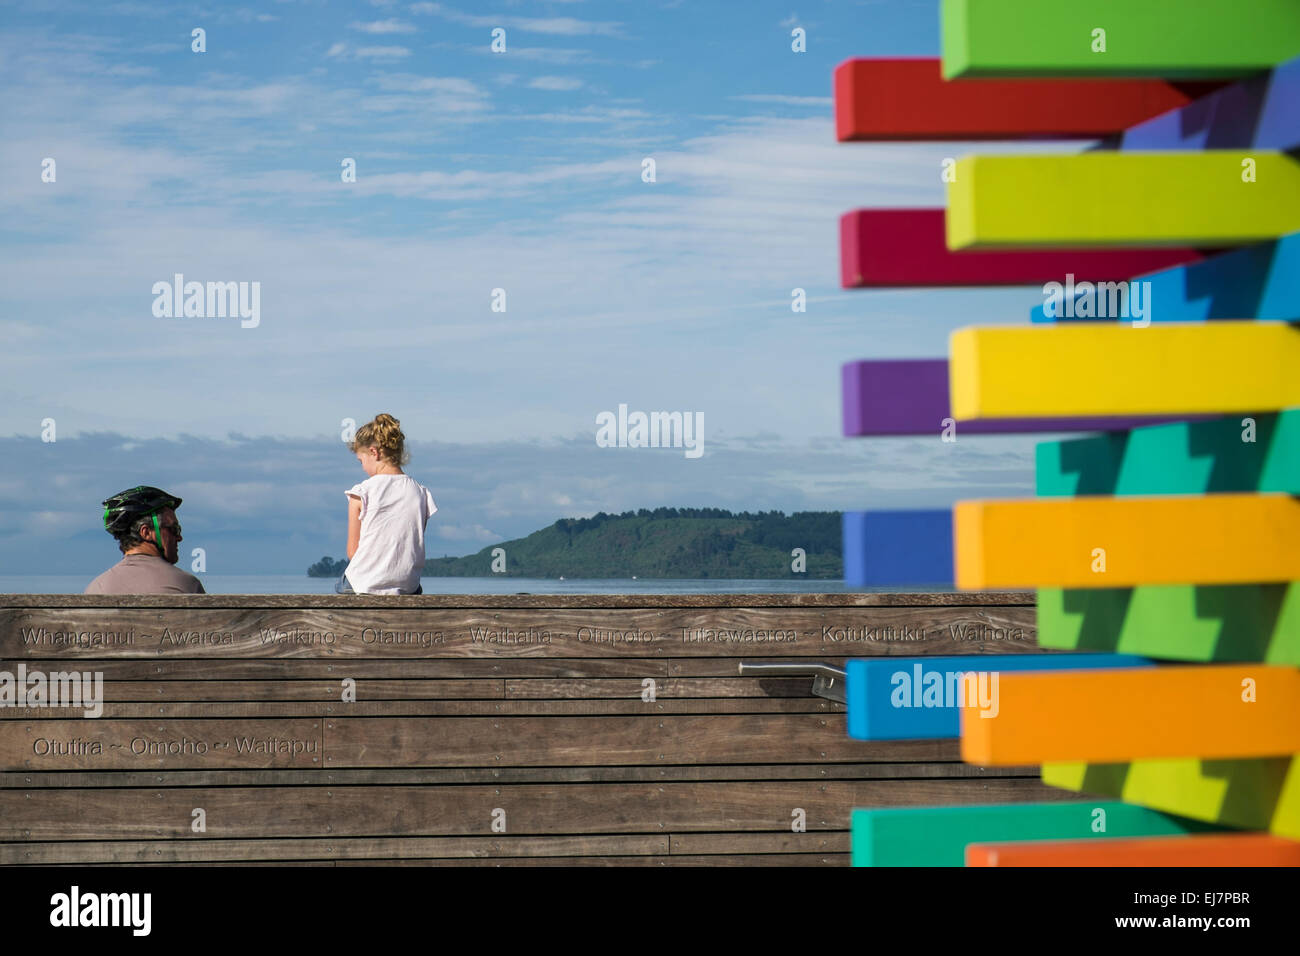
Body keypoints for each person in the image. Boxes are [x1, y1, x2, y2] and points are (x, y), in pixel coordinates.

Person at [337, 414, 436, 595]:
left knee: (342, 582)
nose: (362, 468)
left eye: (361, 461)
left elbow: (353, 552)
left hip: (363, 585)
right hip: (407, 587)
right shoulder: (421, 494)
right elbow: (410, 545)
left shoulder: (361, 493)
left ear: (374, 452)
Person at [86, 486, 205, 594]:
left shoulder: (97, 587)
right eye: (174, 529)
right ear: (146, 532)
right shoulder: (187, 585)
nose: (179, 538)